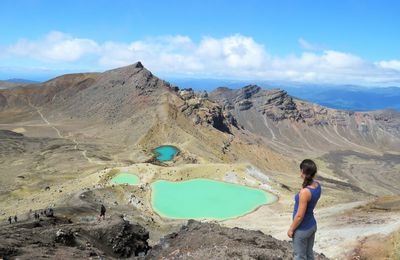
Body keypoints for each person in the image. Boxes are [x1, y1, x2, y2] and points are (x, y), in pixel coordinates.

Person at [288, 159, 321, 260]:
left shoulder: (305, 192)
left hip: (302, 229)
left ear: (303, 171)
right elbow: (312, 204)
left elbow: (299, 216)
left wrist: (291, 229)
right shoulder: (317, 185)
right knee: (309, 254)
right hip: (312, 225)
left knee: (299, 256)